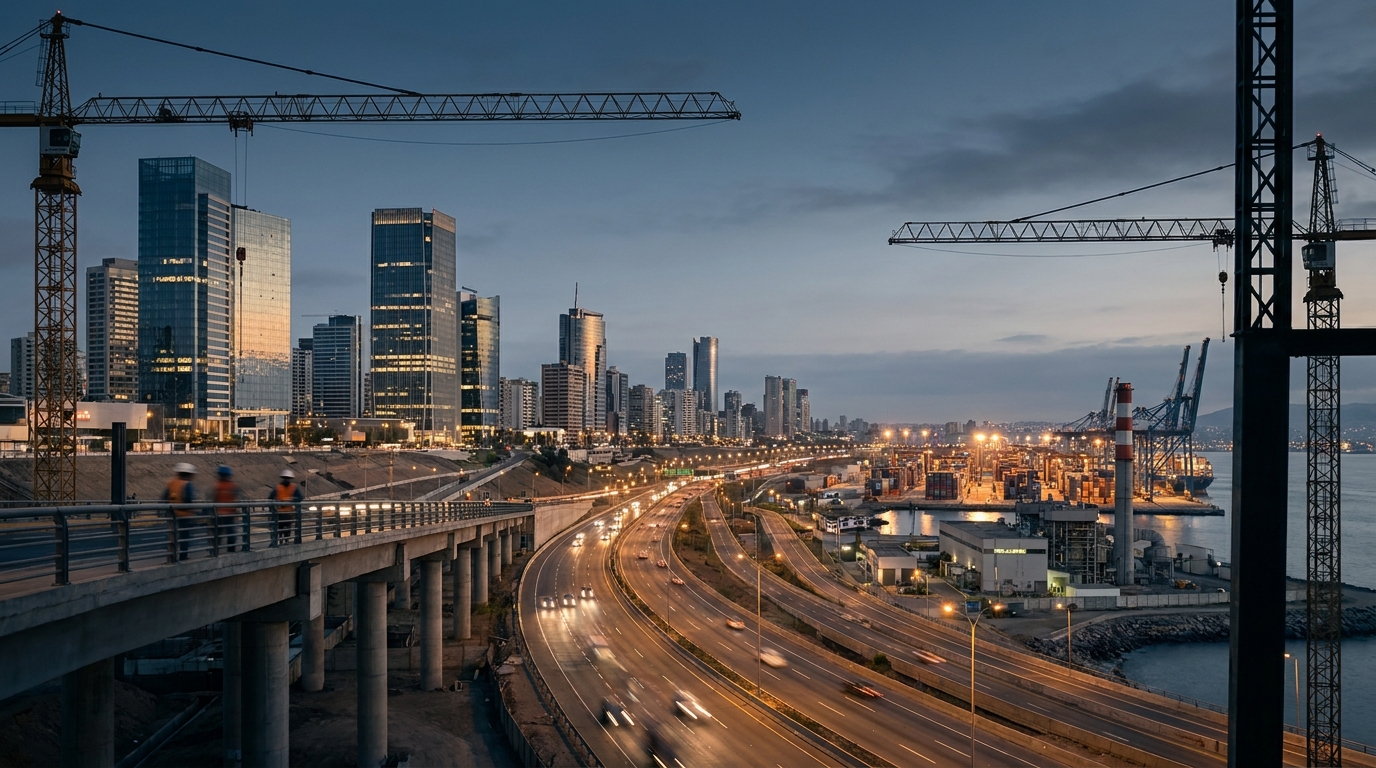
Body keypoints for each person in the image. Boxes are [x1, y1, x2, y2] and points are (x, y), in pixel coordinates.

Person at [163, 463, 199, 561]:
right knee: (184, 537)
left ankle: (171, 556)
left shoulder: (171, 483)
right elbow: (189, 499)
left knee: (172, 535)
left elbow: (164, 498)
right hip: (184, 516)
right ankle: (183, 556)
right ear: (188, 474)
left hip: (171, 514)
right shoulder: (187, 485)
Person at [272, 469, 303, 546]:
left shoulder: (293, 487)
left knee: (286, 528)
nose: (286, 480)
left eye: (287, 478)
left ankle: (285, 540)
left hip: (288, 513)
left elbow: (300, 497)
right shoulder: (278, 487)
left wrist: (291, 501)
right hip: (280, 513)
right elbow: (271, 498)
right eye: (285, 478)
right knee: (280, 528)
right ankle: (281, 541)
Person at [214, 465, 241, 553]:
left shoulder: (217, 486)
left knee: (218, 534)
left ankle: (215, 551)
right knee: (231, 534)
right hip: (229, 514)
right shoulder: (232, 486)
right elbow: (236, 498)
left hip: (219, 514)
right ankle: (231, 550)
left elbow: (214, 499)